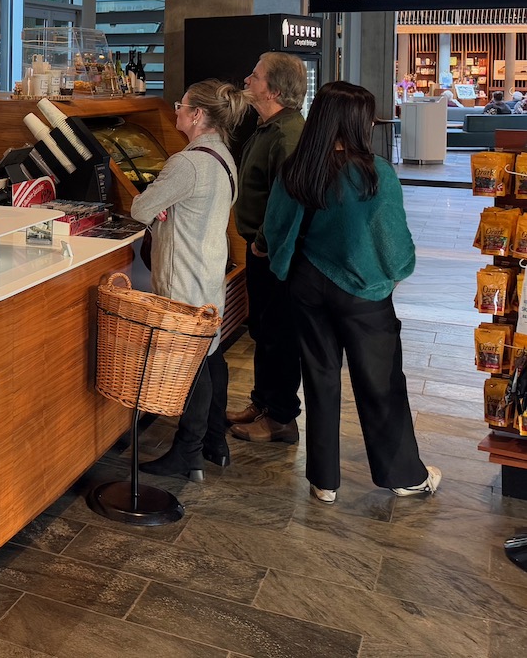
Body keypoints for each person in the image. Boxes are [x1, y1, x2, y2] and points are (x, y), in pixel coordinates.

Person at [260, 81, 441, 504]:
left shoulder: (297, 167)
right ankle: (402, 475)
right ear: (358, 121)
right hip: (362, 292)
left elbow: (275, 228)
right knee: (381, 382)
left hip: (306, 284)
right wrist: (397, 273)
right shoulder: (376, 172)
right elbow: (394, 243)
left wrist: (281, 262)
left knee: (319, 378)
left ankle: (324, 481)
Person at [130, 79, 247, 481]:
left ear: (197, 115)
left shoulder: (186, 162)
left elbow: (141, 207)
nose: (176, 110)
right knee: (211, 357)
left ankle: (188, 454)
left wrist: (160, 207)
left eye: (181, 106)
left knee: (191, 366)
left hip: (182, 276)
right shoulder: (223, 156)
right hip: (209, 269)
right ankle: (216, 442)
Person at [229, 51, 308, 445]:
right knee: (263, 330)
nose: (247, 79)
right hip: (261, 249)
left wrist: (263, 243)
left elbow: (290, 201)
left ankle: (280, 418)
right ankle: (262, 402)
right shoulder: (267, 127)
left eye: (255, 76)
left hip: (275, 255)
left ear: (274, 89)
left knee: (279, 334)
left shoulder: (287, 135)